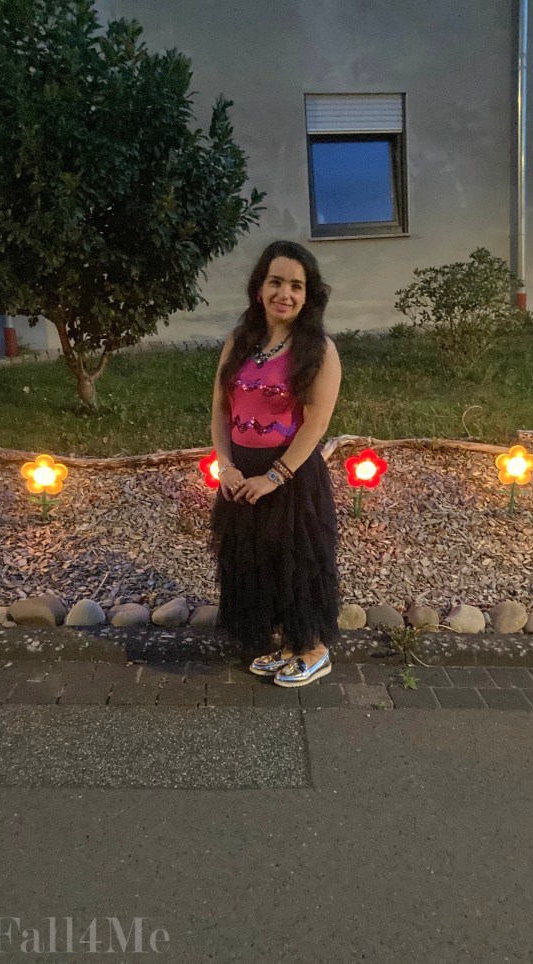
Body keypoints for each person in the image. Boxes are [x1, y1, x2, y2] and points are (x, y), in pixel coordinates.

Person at [210, 240, 342, 687]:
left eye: (296, 285)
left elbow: (315, 425)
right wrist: (225, 466)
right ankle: (285, 643)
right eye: (275, 282)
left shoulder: (319, 350)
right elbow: (220, 412)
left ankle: (312, 648)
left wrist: (273, 478)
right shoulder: (239, 341)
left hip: (290, 474)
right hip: (240, 472)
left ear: (308, 296)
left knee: (296, 562)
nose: (284, 293)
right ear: (259, 287)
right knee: (256, 560)